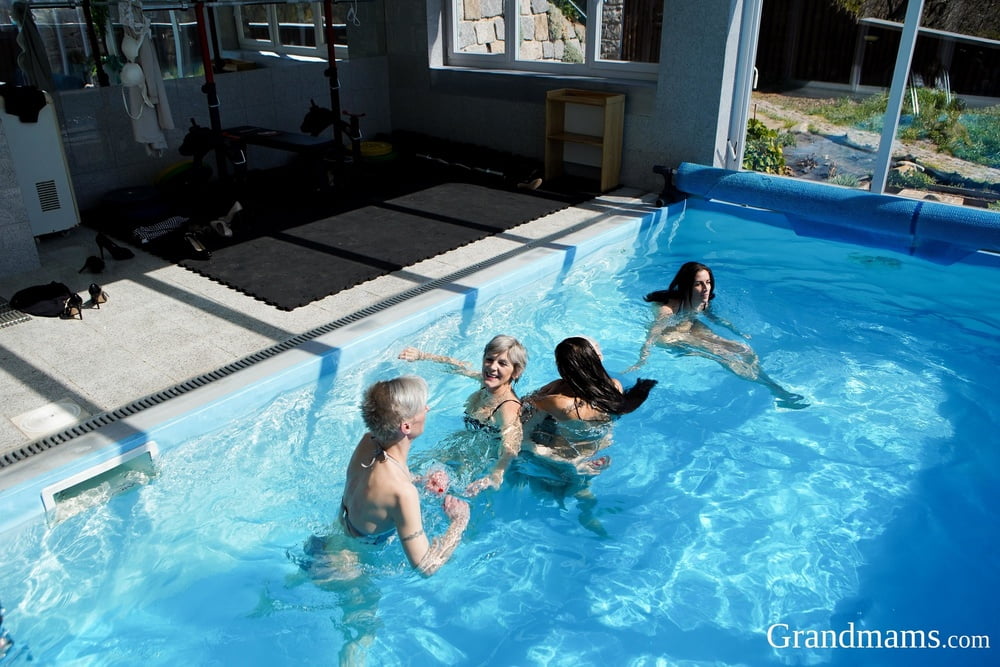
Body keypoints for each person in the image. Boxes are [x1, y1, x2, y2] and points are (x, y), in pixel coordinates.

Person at [629, 261, 807, 408]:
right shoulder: (669, 309)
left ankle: (772, 385)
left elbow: (713, 318)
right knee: (725, 355)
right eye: (698, 284)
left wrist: (736, 331)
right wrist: (643, 356)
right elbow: (653, 332)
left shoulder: (702, 302)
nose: (706, 288)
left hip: (690, 325)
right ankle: (776, 391)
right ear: (687, 286)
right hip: (670, 336)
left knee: (743, 349)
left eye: (708, 282)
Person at [339, 376, 469, 576]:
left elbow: (380, 487)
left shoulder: (367, 443)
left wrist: (420, 480)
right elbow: (425, 567)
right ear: (406, 426)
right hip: (348, 572)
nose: (426, 409)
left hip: (329, 545)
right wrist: (458, 522)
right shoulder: (403, 492)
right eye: (422, 407)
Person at [399, 335, 527, 495]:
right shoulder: (486, 382)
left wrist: (494, 476)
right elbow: (457, 366)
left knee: (432, 491)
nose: (492, 367)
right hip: (460, 445)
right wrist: (422, 355)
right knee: (405, 473)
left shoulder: (508, 408)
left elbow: (511, 447)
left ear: (516, 371)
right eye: (489, 360)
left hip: (474, 461)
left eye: (502, 363)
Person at [521, 336, 658, 474]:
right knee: (580, 490)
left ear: (563, 368)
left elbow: (522, 413)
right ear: (595, 360)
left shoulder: (558, 401)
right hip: (596, 448)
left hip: (561, 457)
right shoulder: (614, 386)